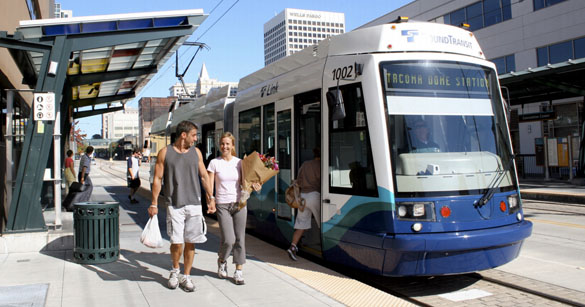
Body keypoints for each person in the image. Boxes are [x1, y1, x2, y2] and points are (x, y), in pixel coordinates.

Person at [148, 121, 215, 293]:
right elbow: (157, 179)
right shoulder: (165, 153)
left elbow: (204, 176)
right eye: (194, 135)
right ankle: (175, 270)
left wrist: (210, 197)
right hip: (174, 204)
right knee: (176, 242)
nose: (196, 138)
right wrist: (154, 203)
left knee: (191, 242)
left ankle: (186, 275)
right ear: (183, 135)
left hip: (194, 203)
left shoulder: (196, 152)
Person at [207, 132, 261, 285]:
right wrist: (210, 199)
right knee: (229, 240)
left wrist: (256, 185)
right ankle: (222, 260)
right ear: (219, 145)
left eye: (227, 144)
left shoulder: (240, 163)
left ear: (232, 146)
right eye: (222, 143)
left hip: (239, 204)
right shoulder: (214, 163)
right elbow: (210, 184)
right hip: (222, 204)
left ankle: (238, 270)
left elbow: (247, 182)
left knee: (240, 239)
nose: (225, 146)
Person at [287, 147, 321, 261]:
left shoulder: (305, 164)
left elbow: (299, 180)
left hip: (303, 197)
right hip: (315, 195)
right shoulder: (322, 165)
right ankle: (326, 247)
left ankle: (292, 247)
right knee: (322, 223)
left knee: (301, 224)